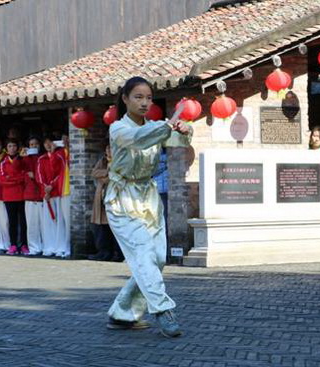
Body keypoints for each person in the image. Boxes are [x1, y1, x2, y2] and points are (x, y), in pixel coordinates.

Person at [104, 76, 191, 337]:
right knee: (143, 253)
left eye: (149, 98)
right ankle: (163, 310)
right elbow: (140, 138)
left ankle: (122, 312)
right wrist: (166, 127)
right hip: (122, 199)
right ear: (125, 99)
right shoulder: (118, 128)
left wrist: (184, 131)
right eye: (138, 97)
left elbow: (175, 142)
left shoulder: (156, 126)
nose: (144, 103)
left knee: (157, 259)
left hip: (149, 198)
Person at [89, 144, 122, 262]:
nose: (109, 151)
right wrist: (107, 172)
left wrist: (105, 177)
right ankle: (103, 252)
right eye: (107, 148)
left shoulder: (120, 160)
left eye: (111, 148)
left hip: (114, 197)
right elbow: (94, 173)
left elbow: (116, 177)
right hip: (101, 198)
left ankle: (117, 253)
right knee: (101, 228)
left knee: (114, 227)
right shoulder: (102, 161)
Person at [36, 136, 66, 257]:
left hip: (57, 191)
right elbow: (39, 176)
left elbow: (61, 172)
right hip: (47, 194)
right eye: (46, 143)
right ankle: (49, 246)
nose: (48, 145)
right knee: (47, 221)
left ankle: (60, 246)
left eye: (50, 143)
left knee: (60, 221)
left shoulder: (60, 155)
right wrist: (45, 188)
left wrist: (52, 186)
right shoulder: (41, 159)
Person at [0, 139, 28, 255]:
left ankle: (24, 245)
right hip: (9, 197)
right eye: (9, 146)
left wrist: (10, 178)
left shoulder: (23, 160)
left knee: (23, 222)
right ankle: (13, 245)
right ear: (6, 149)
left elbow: (23, 177)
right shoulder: (3, 163)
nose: (12, 148)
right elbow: (1, 180)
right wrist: (16, 180)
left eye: (14, 146)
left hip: (21, 195)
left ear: (17, 148)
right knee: (12, 222)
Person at [22, 136, 44, 256]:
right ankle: (34, 247)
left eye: (36, 144)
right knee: (31, 225)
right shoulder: (24, 159)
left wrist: (34, 175)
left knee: (43, 225)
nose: (33, 146)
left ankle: (45, 246)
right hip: (29, 195)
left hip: (41, 195)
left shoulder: (43, 158)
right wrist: (23, 156)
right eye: (31, 144)